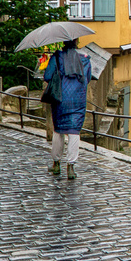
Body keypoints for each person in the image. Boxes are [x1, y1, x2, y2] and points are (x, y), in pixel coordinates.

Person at [43, 39, 89, 179]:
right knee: (74, 132)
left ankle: (56, 164)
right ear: (77, 42)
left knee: (59, 131)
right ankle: (71, 167)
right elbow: (87, 78)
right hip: (78, 100)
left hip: (60, 98)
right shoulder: (85, 59)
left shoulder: (57, 57)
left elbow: (47, 76)